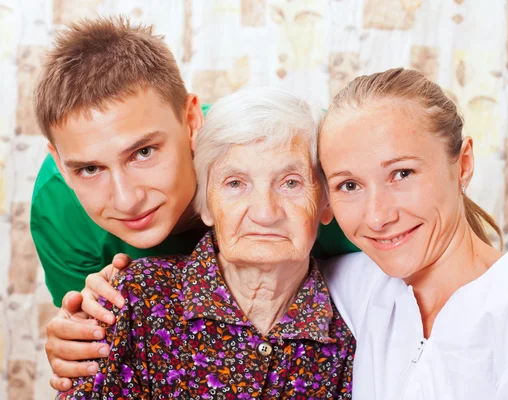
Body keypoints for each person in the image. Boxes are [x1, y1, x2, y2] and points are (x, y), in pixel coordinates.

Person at [40, 16, 508, 397]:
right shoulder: (78, 232)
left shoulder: (353, 272)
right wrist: (74, 335)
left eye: (290, 183)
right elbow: (80, 342)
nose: (124, 195)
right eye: (234, 184)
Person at [31, 16, 357, 390]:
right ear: (59, 162)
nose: (127, 199)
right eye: (90, 169)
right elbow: (85, 335)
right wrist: (75, 338)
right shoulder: (58, 206)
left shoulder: (313, 165)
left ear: (190, 121)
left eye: (144, 152)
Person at [318, 67, 508, 398]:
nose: (378, 217)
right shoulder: (360, 285)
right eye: (348, 185)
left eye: (402, 173)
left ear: (463, 165)